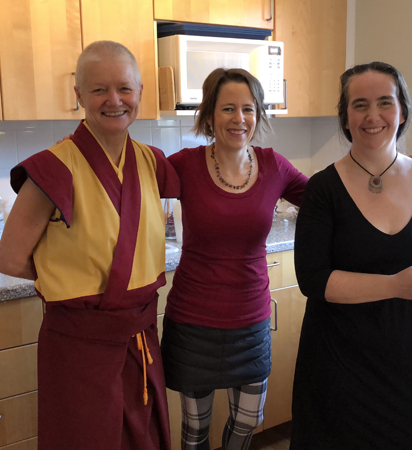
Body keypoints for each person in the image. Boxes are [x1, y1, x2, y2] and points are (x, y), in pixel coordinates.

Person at [0, 41, 179, 450]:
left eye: (124, 88)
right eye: (99, 90)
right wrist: (65, 270)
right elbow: (10, 256)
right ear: (78, 95)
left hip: (140, 337)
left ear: (140, 92)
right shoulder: (52, 168)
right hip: (78, 343)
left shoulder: (152, 161)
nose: (114, 100)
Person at [291, 61, 412, 449]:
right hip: (340, 364)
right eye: (359, 105)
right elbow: (313, 279)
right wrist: (395, 285)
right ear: (345, 118)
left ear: (403, 110)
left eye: (385, 102)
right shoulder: (323, 188)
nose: (373, 115)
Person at [159, 68, 309, 450]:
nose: (239, 119)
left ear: (258, 114)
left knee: (247, 423)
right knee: (195, 430)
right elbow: (128, 184)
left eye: (248, 109)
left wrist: (393, 174)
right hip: (194, 321)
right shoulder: (184, 164)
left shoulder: (274, 165)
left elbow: (327, 200)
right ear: (209, 115)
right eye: (228, 108)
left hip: (251, 320)